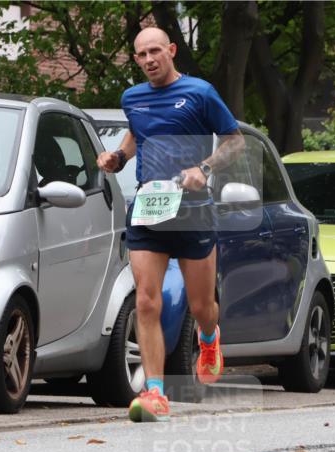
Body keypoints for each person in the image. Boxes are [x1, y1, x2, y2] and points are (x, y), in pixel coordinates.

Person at [97, 27, 243, 422]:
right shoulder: (133, 98)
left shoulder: (200, 93)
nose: (148, 60)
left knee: (200, 306)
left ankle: (209, 339)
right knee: (146, 300)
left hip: (193, 208)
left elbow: (235, 141)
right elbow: (135, 133)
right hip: (150, 206)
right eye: (141, 54)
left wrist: (204, 167)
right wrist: (119, 158)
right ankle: (155, 392)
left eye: (155, 51)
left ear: (172, 50)